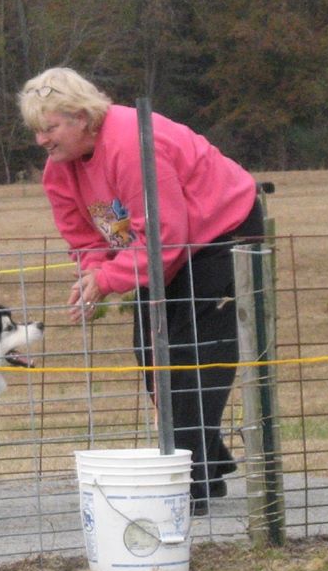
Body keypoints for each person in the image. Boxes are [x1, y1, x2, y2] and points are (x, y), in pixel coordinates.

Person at [18, 67, 263, 515]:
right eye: (36, 131)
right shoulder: (60, 171)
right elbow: (85, 235)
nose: (42, 142)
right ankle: (207, 459)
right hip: (161, 247)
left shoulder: (130, 144)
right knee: (151, 350)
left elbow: (166, 234)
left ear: (82, 118)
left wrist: (109, 278)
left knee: (194, 352)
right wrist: (93, 274)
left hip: (221, 232)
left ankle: (188, 485)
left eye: (49, 128)